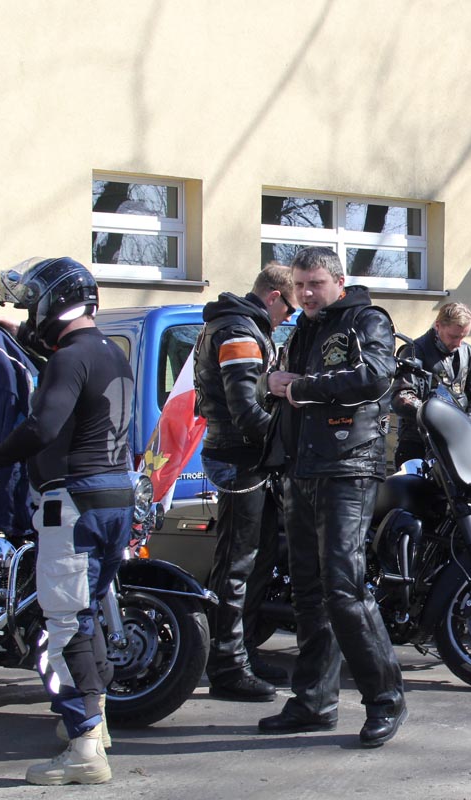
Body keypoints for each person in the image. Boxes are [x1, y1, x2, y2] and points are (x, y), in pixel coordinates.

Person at [0, 257, 133, 785]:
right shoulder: (110, 351)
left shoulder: (68, 359)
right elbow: (73, 372)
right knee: (86, 617)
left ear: (52, 302)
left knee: (63, 623)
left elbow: (42, 427)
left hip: (73, 504)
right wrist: (18, 332)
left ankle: (84, 747)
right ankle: (95, 725)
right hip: (115, 499)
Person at [258, 246, 406, 747]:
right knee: (308, 592)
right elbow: (277, 387)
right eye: (299, 285)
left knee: (344, 588)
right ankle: (314, 701)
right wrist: (269, 383)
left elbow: (376, 377)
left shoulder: (366, 320)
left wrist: (299, 387)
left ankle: (386, 699)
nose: (305, 294)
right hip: (301, 469)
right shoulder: (302, 329)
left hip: (348, 467)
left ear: (338, 283)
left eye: (315, 284)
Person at [194, 264, 297, 701]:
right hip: (240, 458)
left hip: (247, 458)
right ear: (274, 297)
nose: (289, 316)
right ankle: (227, 666)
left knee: (257, 559)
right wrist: (289, 444)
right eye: (289, 308)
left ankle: (244, 653)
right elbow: (245, 410)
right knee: (238, 563)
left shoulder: (243, 326)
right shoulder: (238, 331)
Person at [391, 302, 471, 466]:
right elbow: (401, 396)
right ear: (438, 326)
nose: (458, 343)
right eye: (454, 336)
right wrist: (436, 415)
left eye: (463, 337)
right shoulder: (414, 351)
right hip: (418, 443)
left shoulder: (466, 351)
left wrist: (470, 420)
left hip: (455, 443)